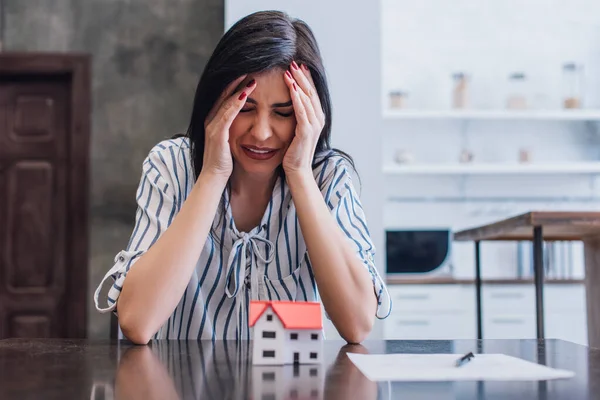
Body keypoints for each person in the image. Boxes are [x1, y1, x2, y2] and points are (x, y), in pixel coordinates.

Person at [94, 10, 391, 344]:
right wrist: (212, 175)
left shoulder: (328, 177)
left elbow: (359, 323)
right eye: (245, 108)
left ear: (310, 115)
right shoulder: (170, 166)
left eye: (283, 113)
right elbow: (137, 321)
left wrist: (300, 176)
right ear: (214, 103)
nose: (261, 133)